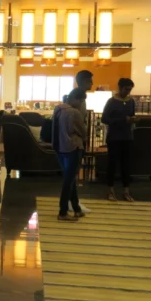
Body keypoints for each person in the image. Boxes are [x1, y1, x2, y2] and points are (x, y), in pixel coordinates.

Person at [102, 77, 137, 202]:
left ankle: (126, 191)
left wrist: (132, 120)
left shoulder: (131, 102)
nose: (128, 92)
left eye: (130, 90)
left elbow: (132, 115)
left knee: (126, 165)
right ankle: (110, 190)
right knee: (112, 164)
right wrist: (123, 120)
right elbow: (104, 119)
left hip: (127, 137)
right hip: (114, 137)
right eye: (126, 89)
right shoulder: (111, 102)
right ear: (120, 88)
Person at [55, 87, 88, 222]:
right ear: (77, 99)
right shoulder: (75, 113)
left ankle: (76, 209)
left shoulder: (58, 109)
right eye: (81, 102)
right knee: (69, 180)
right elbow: (83, 132)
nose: (81, 105)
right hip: (73, 147)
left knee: (70, 179)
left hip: (60, 148)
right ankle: (62, 212)